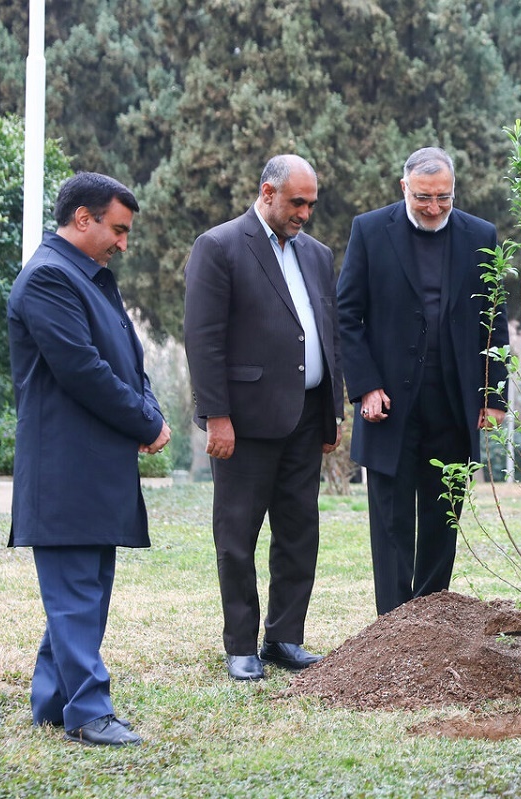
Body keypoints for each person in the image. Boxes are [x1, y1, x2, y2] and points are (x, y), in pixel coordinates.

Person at [8, 172, 171, 746]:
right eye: (117, 229)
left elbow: (128, 360)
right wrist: (147, 422)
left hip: (96, 467)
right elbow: (83, 371)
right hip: (64, 470)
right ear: (83, 218)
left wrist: (149, 407)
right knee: (76, 594)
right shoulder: (49, 280)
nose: (123, 243)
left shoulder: (91, 278)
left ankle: (51, 702)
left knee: (85, 592)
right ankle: (89, 713)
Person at [183, 154, 343, 681]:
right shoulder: (220, 246)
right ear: (267, 192)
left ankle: (284, 637)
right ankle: (240, 646)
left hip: (304, 418)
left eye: (311, 204)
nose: (304, 213)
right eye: (296, 202)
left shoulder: (318, 255)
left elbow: (325, 335)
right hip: (245, 423)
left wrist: (330, 412)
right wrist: (216, 417)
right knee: (237, 535)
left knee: (300, 533)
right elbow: (203, 340)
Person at [336, 146, 509, 616]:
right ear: (404, 188)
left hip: (454, 402)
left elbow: (495, 321)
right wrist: (366, 385)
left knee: (441, 517)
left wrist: (494, 397)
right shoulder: (369, 231)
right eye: (423, 197)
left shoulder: (481, 235)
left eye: (444, 198)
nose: (434, 207)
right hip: (388, 402)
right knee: (390, 519)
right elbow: (347, 314)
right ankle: (392, 625)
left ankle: (430, 620)